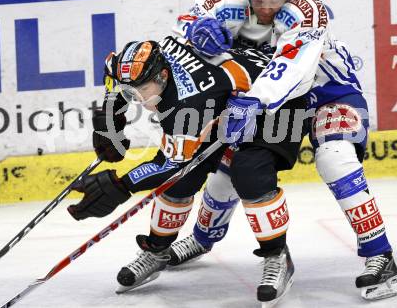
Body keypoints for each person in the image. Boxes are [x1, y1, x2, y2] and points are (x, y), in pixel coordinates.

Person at [167, 0, 397, 302]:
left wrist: (252, 100)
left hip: (325, 93)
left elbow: (295, 70)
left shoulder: (307, 11)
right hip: (271, 98)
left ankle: (380, 255)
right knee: (231, 162)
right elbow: (187, 19)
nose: (266, 6)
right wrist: (195, 29)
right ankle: (203, 238)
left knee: (334, 156)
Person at [67, 35, 310, 305]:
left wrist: (121, 185)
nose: (136, 99)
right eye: (130, 93)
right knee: (181, 183)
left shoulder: (189, 101)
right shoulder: (144, 65)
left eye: (141, 92)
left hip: (277, 108)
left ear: (161, 76)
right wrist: (111, 118)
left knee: (250, 174)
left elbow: (171, 165)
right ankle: (157, 250)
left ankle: (277, 255)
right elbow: (113, 73)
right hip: (226, 106)